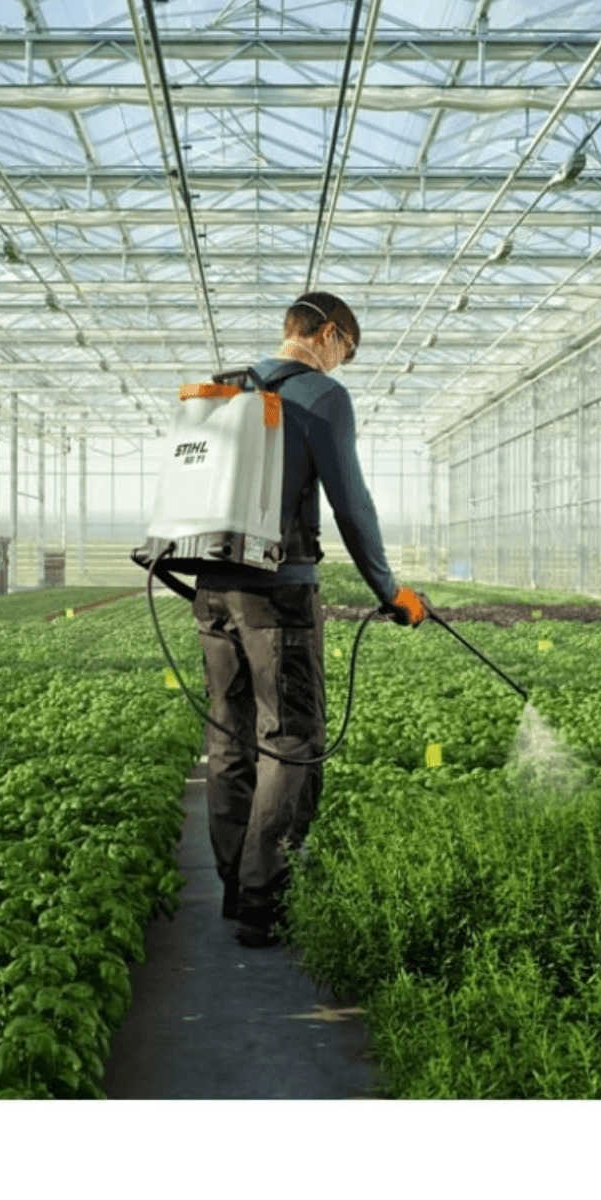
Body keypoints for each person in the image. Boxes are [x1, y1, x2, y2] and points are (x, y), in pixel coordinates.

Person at [189, 293, 428, 947]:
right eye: (344, 351)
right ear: (326, 334)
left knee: (230, 742)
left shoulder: (223, 390)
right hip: (279, 597)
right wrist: (390, 589)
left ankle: (240, 890)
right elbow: (351, 502)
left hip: (211, 593)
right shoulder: (322, 397)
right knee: (290, 741)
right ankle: (268, 902)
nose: (340, 365)